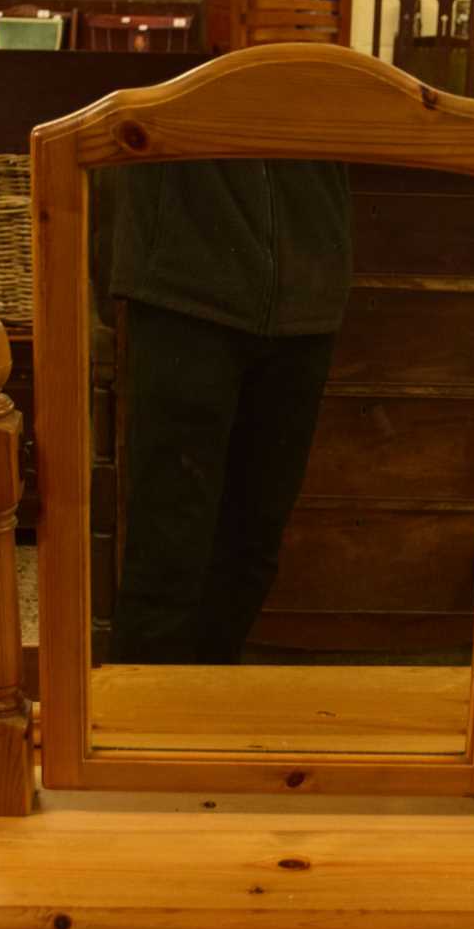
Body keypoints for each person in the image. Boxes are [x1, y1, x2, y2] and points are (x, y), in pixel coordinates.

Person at [108, 155, 351, 664]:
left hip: (306, 288)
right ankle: (141, 725)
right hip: (182, 284)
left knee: (254, 543)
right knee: (168, 542)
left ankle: (202, 700)